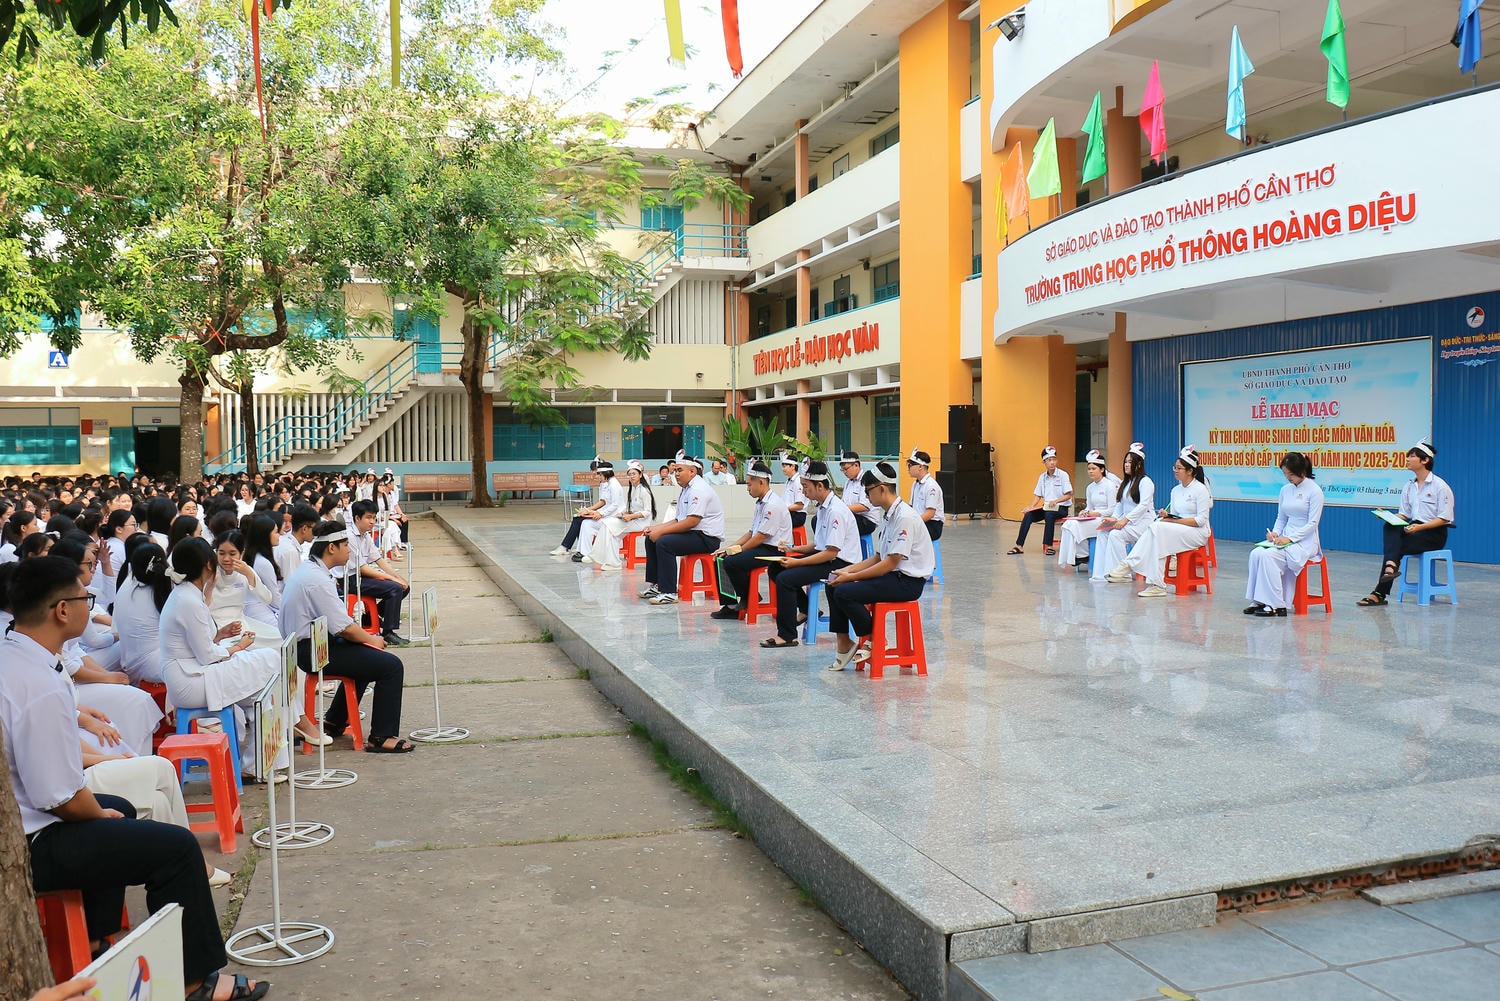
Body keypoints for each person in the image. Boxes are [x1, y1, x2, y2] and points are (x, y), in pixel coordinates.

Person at [1, 556, 271, 1001]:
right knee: (176, 848)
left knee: (121, 809)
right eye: (85, 598)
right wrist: (96, 814)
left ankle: (95, 937)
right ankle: (194, 980)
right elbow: (61, 798)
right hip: (34, 839)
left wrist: (101, 811)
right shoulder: (38, 683)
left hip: (29, 822)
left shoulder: (16, 656)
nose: (90, 606)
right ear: (62, 610)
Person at [280, 521, 412, 752]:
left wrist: (367, 642)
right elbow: (345, 628)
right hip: (310, 650)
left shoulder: (312, 571)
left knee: (366, 655)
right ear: (331, 548)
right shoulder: (316, 579)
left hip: (313, 643)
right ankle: (381, 737)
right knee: (391, 666)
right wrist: (372, 639)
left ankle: (335, 720)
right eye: (345, 545)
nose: (349, 550)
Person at [824, 462, 935, 669]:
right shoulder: (890, 514)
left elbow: (890, 563)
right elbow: (878, 557)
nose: (866, 496)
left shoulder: (905, 517)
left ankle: (875, 638)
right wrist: (847, 570)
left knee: (844, 593)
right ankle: (844, 643)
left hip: (907, 583)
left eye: (868, 491)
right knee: (833, 584)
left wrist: (851, 577)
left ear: (882, 488)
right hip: (893, 576)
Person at [764, 460, 862, 648]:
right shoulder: (823, 507)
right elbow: (818, 545)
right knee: (776, 568)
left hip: (840, 565)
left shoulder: (835, 511)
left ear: (820, 486)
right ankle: (807, 608)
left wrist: (796, 563)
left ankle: (787, 635)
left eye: (806, 486)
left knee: (785, 579)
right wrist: (793, 549)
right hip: (828, 557)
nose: (803, 491)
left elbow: (830, 553)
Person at [1105, 446, 1213, 598]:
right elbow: (1175, 515)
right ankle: (1156, 585)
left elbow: (1200, 521)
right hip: (1181, 529)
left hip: (1198, 533)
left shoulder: (1200, 490)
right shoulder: (1175, 490)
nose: (1175, 470)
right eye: (1174, 467)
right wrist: (1167, 516)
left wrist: (1174, 521)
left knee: (1158, 530)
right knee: (1158, 537)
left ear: (1190, 471)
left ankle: (1129, 564)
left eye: (1179, 468)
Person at [1358, 440, 1455, 607]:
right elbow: (1405, 515)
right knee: (1390, 527)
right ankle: (1390, 568)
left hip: (1433, 533)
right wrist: (1387, 516)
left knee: (1395, 547)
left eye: (1412, 456)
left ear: (1425, 460)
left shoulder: (1440, 486)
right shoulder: (1409, 486)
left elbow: (1445, 518)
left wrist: (1419, 527)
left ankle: (1380, 591)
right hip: (1413, 528)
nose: (1407, 459)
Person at [709, 460, 792, 622]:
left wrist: (738, 550)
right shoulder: (761, 503)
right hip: (761, 546)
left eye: (749, 485)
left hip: (773, 550)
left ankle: (750, 595)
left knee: (732, 562)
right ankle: (730, 605)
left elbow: (761, 536)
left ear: (761, 482)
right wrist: (729, 547)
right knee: (720, 558)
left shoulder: (772, 505)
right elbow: (751, 533)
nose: (747, 489)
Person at [1245, 451, 1324, 617]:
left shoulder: (1315, 491)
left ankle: (1277, 604)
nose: (1288, 477)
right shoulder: (1285, 490)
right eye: (1285, 474)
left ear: (1302, 472)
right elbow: (1281, 518)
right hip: (1284, 539)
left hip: (1305, 542)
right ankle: (1258, 600)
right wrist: (1275, 533)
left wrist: (1290, 538)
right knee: (1256, 553)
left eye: (1291, 474)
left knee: (1269, 556)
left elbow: (1312, 524)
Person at [639, 456, 725, 606]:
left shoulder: (698, 489)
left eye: (680, 470)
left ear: (692, 471)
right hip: (694, 533)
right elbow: (679, 519)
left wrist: (661, 533)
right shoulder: (686, 489)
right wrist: (655, 529)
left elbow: (692, 521)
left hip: (707, 538)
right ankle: (657, 584)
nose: (676, 474)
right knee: (651, 539)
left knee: (664, 543)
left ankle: (669, 592)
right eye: (675, 470)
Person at [345, 499, 410, 645]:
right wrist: (392, 579)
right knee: (394, 588)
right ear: (357, 518)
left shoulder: (365, 535)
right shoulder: (349, 537)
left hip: (362, 576)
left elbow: (379, 559)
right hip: (351, 580)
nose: (372, 522)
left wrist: (398, 577)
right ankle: (388, 632)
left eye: (374, 518)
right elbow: (362, 568)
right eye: (368, 517)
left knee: (404, 587)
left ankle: (370, 616)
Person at [1092, 443, 1156, 582]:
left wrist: (1125, 520)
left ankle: (1122, 574)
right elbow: (1120, 505)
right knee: (1103, 532)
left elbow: (1143, 506)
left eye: (1130, 462)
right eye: (1125, 462)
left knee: (1116, 534)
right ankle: (1102, 573)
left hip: (1143, 523)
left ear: (1139, 465)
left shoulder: (1146, 482)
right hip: (1128, 522)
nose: (1126, 465)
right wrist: (1114, 518)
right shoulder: (1126, 483)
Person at [209, 529, 281, 647]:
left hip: (239, 623)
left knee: (278, 639)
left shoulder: (245, 571)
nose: (226, 559)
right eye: (221, 553)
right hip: (214, 624)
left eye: (232, 554)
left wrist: (249, 574)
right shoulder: (209, 571)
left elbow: (267, 599)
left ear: (241, 553)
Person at [1055, 450, 1119, 571]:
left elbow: (1112, 509)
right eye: (1089, 469)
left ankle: (1081, 555)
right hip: (1093, 517)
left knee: (1075, 526)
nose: (1090, 471)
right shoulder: (1090, 487)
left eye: (1094, 469)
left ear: (1102, 469)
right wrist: (1084, 512)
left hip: (1106, 519)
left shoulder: (1110, 486)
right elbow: (1089, 506)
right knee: (1068, 524)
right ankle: (1078, 555)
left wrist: (1096, 513)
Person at [587, 460, 657, 570]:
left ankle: (596, 555)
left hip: (641, 522)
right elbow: (630, 507)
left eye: (634, 474)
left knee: (607, 524)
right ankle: (613, 563)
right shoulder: (633, 488)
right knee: (612, 535)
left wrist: (631, 516)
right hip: (631, 519)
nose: (632, 476)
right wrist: (623, 513)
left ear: (640, 475)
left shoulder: (644, 491)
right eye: (630, 474)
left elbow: (648, 512)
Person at [1008, 445, 1073, 556]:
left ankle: (1049, 546)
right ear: (1044, 462)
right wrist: (1031, 507)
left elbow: (1069, 495)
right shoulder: (1042, 477)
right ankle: (1019, 546)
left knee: (1049, 514)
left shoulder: (1063, 475)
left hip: (1061, 508)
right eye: (1049, 460)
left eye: (1054, 459)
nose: (1052, 462)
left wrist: (1056, 501)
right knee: (1028, 515)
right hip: (1047, 507)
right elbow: (1038, 495)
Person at [571, 461, 625, 563]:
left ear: (606, 474)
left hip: (614, 518)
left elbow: (615, 505)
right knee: (586, 523)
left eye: (599, 475)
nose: (598, 477)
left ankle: (585, 553)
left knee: (587, 524)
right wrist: (591, 512)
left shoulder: (614, 485)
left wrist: (601, 514)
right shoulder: (608, 483)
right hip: (608, 515)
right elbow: (605, 503)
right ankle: (584, 552)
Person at [549, 460, 606, 557]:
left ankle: (566, 546)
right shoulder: (603, 483)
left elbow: (604, 502)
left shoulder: (608, 484)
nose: (594, 474)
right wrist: (589, 510)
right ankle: (577, 546)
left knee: (578, 519)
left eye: (596, 472)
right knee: (578, 517)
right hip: (602, 512)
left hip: (606, 514)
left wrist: (588, 510)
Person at [905, 449, 945, 540]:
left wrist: (913, 523)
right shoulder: (915, 484)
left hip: (932, 524)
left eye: (910, 465)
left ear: (920, 466)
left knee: (904, 536)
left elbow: (930, 513)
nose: (908, 468)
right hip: (920, 521)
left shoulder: (931, 486)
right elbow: (911, 506)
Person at [837, 451, 877, 537]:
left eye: (846, 469)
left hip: (866, 520)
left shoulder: (866, 479)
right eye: (842, 470)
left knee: (837, 523)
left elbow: (864, 506)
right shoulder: (848, 482)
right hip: (852, 516)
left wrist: (842, 509)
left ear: (856, 465)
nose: (844, 472)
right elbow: (844, 502)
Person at [778, 453, 807, 530]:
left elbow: (800, 505)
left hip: (797, 515)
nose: (783, 469)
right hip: (789, 512)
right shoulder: (788, 482)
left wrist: (783, 509)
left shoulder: (798, 482)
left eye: (785, 466)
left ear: (793, 466)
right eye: (782, 466)